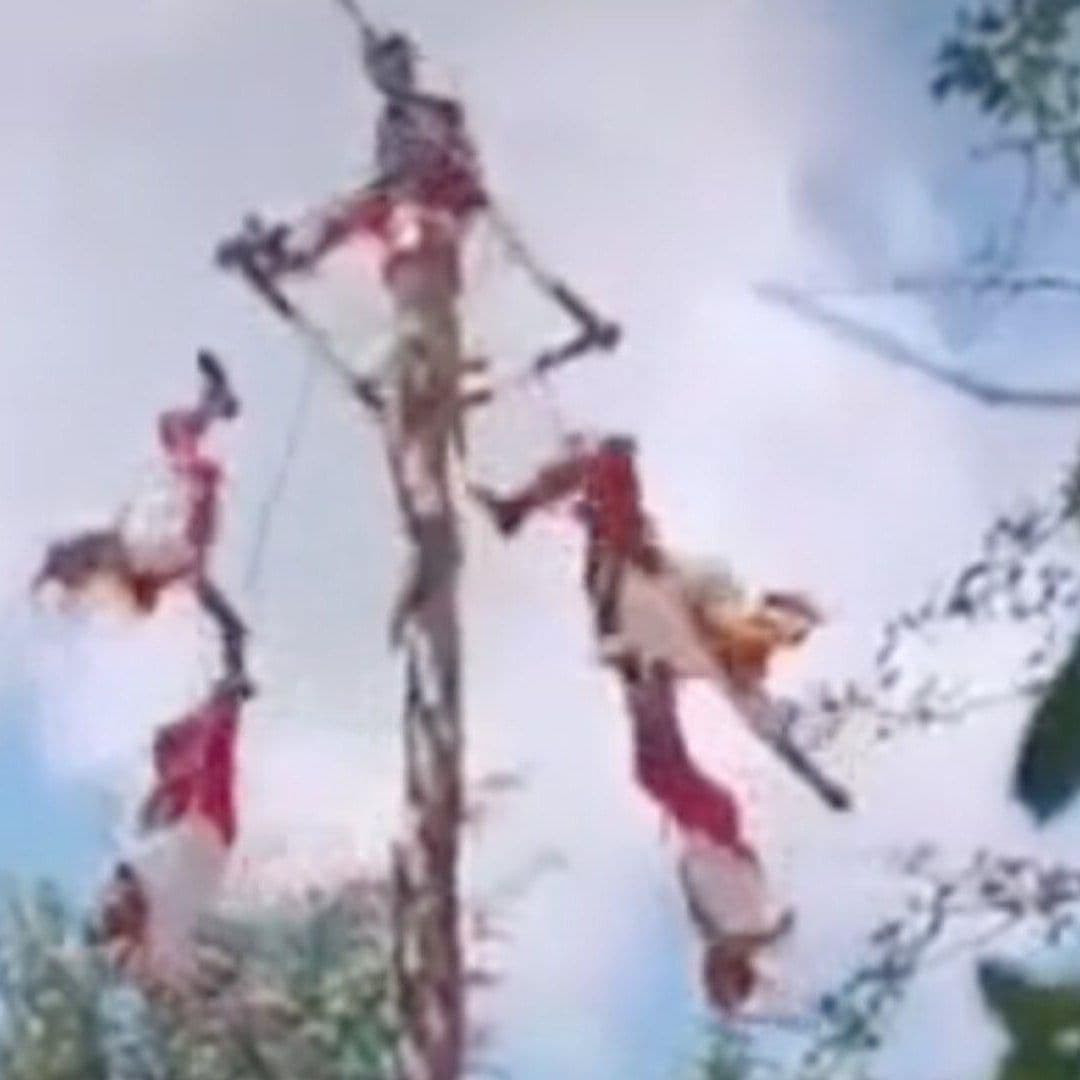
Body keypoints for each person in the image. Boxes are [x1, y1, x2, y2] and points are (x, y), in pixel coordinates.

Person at [33, 353, 248, 675]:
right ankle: (216, 401)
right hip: (184, 526)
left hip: (178, 523)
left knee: (175, 433)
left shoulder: (125, 558)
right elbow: (191, 586)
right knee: (184, 448)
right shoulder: (144, 573)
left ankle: (216, 400)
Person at [625, 658, 792, 1012]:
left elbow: (749, 867)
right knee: (657, 771)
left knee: (659, 767)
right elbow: (747, 869)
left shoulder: (729, 930)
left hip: (709, 824)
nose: (705, 968)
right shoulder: (741, 929)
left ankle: (649, 685)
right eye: (713, 975)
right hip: (712, 825)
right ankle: (651, 684)